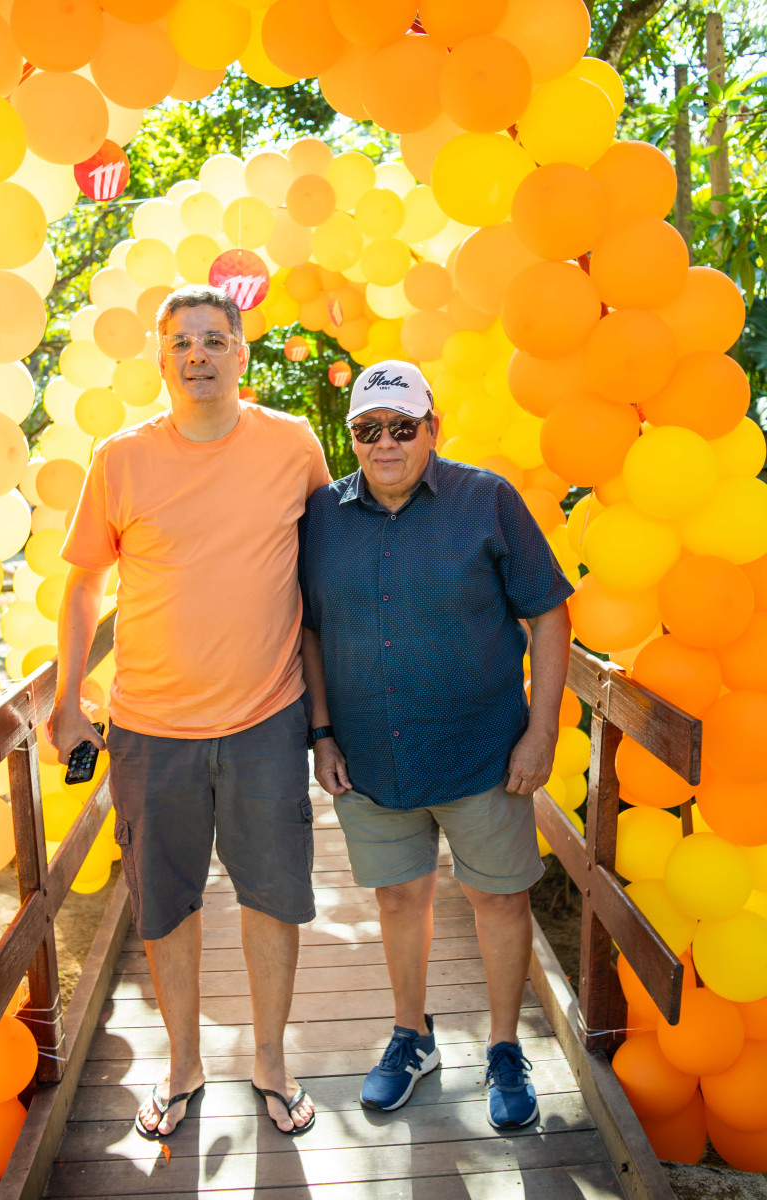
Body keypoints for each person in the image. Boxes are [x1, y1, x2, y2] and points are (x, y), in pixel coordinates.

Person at [49, 284, 329, 1139]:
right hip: (149, 729)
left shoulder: (293, 444)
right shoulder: (121, 457)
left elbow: (332, 562)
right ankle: (183, 1066)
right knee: (166, 905)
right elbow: (83, 586)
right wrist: (67, 701)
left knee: (273, 897)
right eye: (181, 342)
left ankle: (271, 1062)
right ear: (161, 357)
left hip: (267, 720)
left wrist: (331, 718)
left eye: (213, 339)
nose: (197, 355)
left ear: (242, 353)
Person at [299, 359, 573, 1130]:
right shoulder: (321, 514)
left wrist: (542, 730)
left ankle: (504, 1049)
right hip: (369, 757)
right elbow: (311, 629)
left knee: (498, 899)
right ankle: (411, 1037)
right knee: (398, 898)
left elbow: (550, 613)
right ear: (352, 436)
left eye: (402, 426)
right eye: (368, 429)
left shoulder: (488, 499)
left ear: (432, 428)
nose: (385, 442)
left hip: (482, 752)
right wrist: (321, 733)